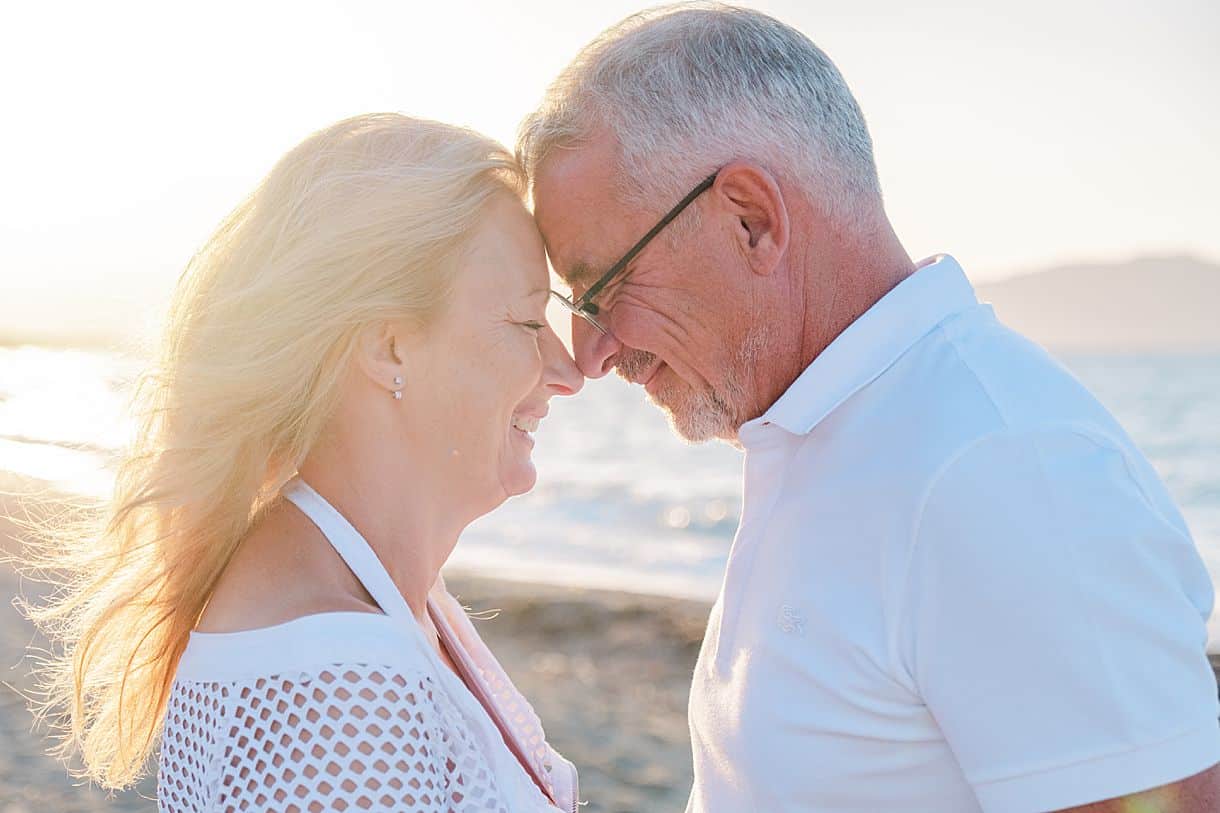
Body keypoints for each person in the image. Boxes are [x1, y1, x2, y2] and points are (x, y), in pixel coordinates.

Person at [518, 3, 1220, 811]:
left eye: (601, 287)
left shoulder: (998, 469)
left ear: (752, 220)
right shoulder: (832, 431)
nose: (590, 351)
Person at [24, 113, 582, 812]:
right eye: (530, 321)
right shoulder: (334, 694)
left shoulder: (379, 598)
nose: (568, 369)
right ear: (390, 346)